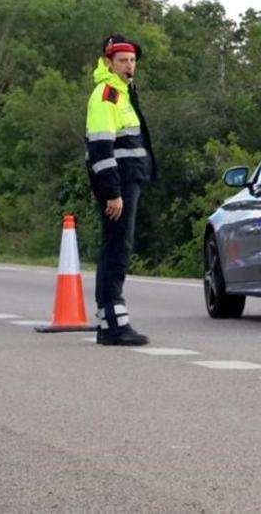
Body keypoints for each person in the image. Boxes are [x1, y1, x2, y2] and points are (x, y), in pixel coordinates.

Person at [85, 34, 157, 346]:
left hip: (128, 181)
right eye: (123, 61)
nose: (129, 66)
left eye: (132, 61)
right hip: (119, 184)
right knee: (117, 250)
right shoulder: (108, 95)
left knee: (117, 248)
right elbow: (100, 148)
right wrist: (112, 192)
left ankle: (108, 322)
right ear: (108, 63)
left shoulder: (123, 93)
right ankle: (114, 325)